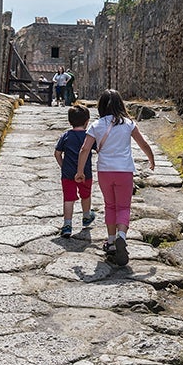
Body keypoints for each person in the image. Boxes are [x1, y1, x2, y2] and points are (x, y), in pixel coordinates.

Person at [75, 89, 155, 265]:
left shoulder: (96, 125)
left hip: (105, 171)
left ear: (101, 106)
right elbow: (143, 143)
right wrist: (151, 158)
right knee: (124, 207)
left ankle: (111, 242)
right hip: (124, 171)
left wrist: (80, 171)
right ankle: (121, 236)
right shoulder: (128, 124)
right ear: (121, 104)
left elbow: (85, 149)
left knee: (110, 205)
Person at [54, 105, 96, 238]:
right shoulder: (89, 136)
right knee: (86, 195)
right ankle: (86, 216)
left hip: (68, 174)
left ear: (70, 121)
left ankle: (67, 225)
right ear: (87, 121)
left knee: (68, 199)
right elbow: (99, 149)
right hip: (85, 173)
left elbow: (57, 153)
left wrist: (63, 166)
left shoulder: (66, 136)